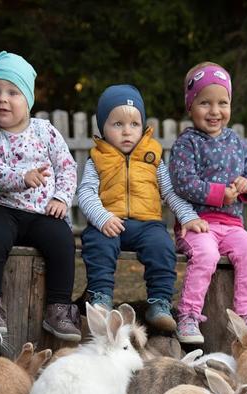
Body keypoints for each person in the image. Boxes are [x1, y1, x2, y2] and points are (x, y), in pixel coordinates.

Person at [77, 84, 208, 332]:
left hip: (147, 224)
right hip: (109, 223)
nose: (127, 131)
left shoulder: (152, 157)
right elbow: (85, 193)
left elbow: (169, 192)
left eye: (134, 124)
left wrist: (188, 216)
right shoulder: (98, 159)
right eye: (117, 124)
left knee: (162, 247)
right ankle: (101, 298)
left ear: (143, 126)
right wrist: (102, 217)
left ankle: (159, 303)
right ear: (103, 127)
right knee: (97, 245)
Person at [0, 50, 81, 343]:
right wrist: (22, 178)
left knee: (61, 241)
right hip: (2, 207)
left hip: (42, 212)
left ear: (28, 100)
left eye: (12, 92)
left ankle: (58, 307)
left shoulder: (45, 132)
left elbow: (67, 166)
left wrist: (61, 198)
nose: (2, 99)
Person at [169, 62, 247, 344]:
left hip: (233, 226)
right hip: (197, 224)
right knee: (207, 255)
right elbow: (183, 182)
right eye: (205, 103)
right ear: (190, 106)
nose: (214, 111)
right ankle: (188, 315)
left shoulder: (237, 142)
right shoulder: (187, 143)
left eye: (222, 103)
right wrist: (218, 194)